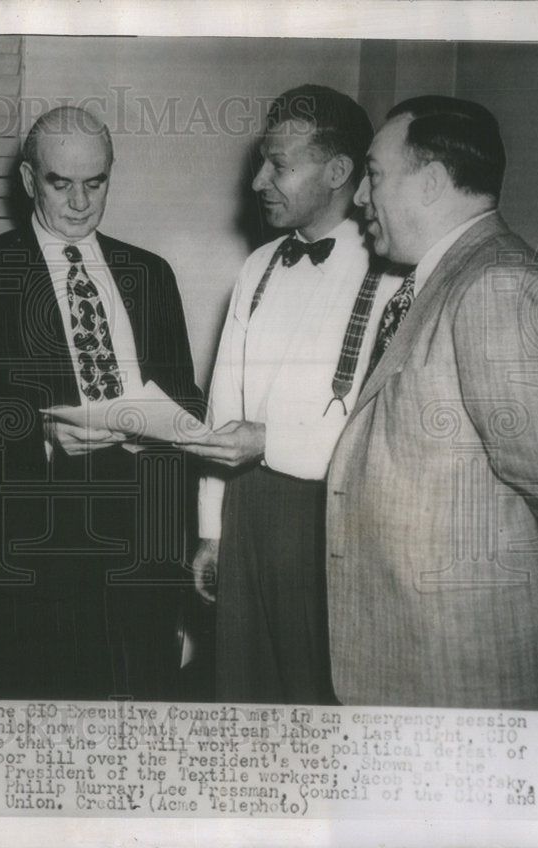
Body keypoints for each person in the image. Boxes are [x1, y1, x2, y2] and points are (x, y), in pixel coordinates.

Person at [0, 106, 203, 700]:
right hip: (33, 554)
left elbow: (184, 399)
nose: (80, 202)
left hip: (143, 549)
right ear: (30, 180)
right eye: (61, 183)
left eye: (96, 182)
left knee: (143, 722)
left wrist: (183, 545)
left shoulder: (150, 274)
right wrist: (41, 435)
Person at [327, 95, 538, 709]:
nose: (359, 198)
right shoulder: (444, 279)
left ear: (432, 182)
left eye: (374, 176)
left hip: (469, 675)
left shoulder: (498, 287)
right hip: (415, 664)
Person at [182, 85, 406, 704]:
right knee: (246, 686)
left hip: (334, 516)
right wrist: (212, 529)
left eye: (279, 165)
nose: (258, 180)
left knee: (323, 690)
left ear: (338, 171)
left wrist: (270, 441)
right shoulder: (257, 267)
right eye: (262, 161)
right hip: (247, 509)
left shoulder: (391, 272)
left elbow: (384, 428)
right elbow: (222, 406)